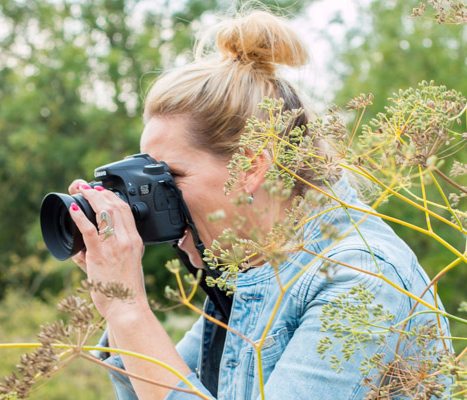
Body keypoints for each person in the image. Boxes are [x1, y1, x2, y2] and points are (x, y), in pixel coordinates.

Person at [66, 9, 452, 400]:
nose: (155, 195)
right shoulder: (255, 272)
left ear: (250, 167)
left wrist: (128, 309)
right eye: (148, 177)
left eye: (171, 177)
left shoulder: (359, 277)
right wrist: (111, 286)